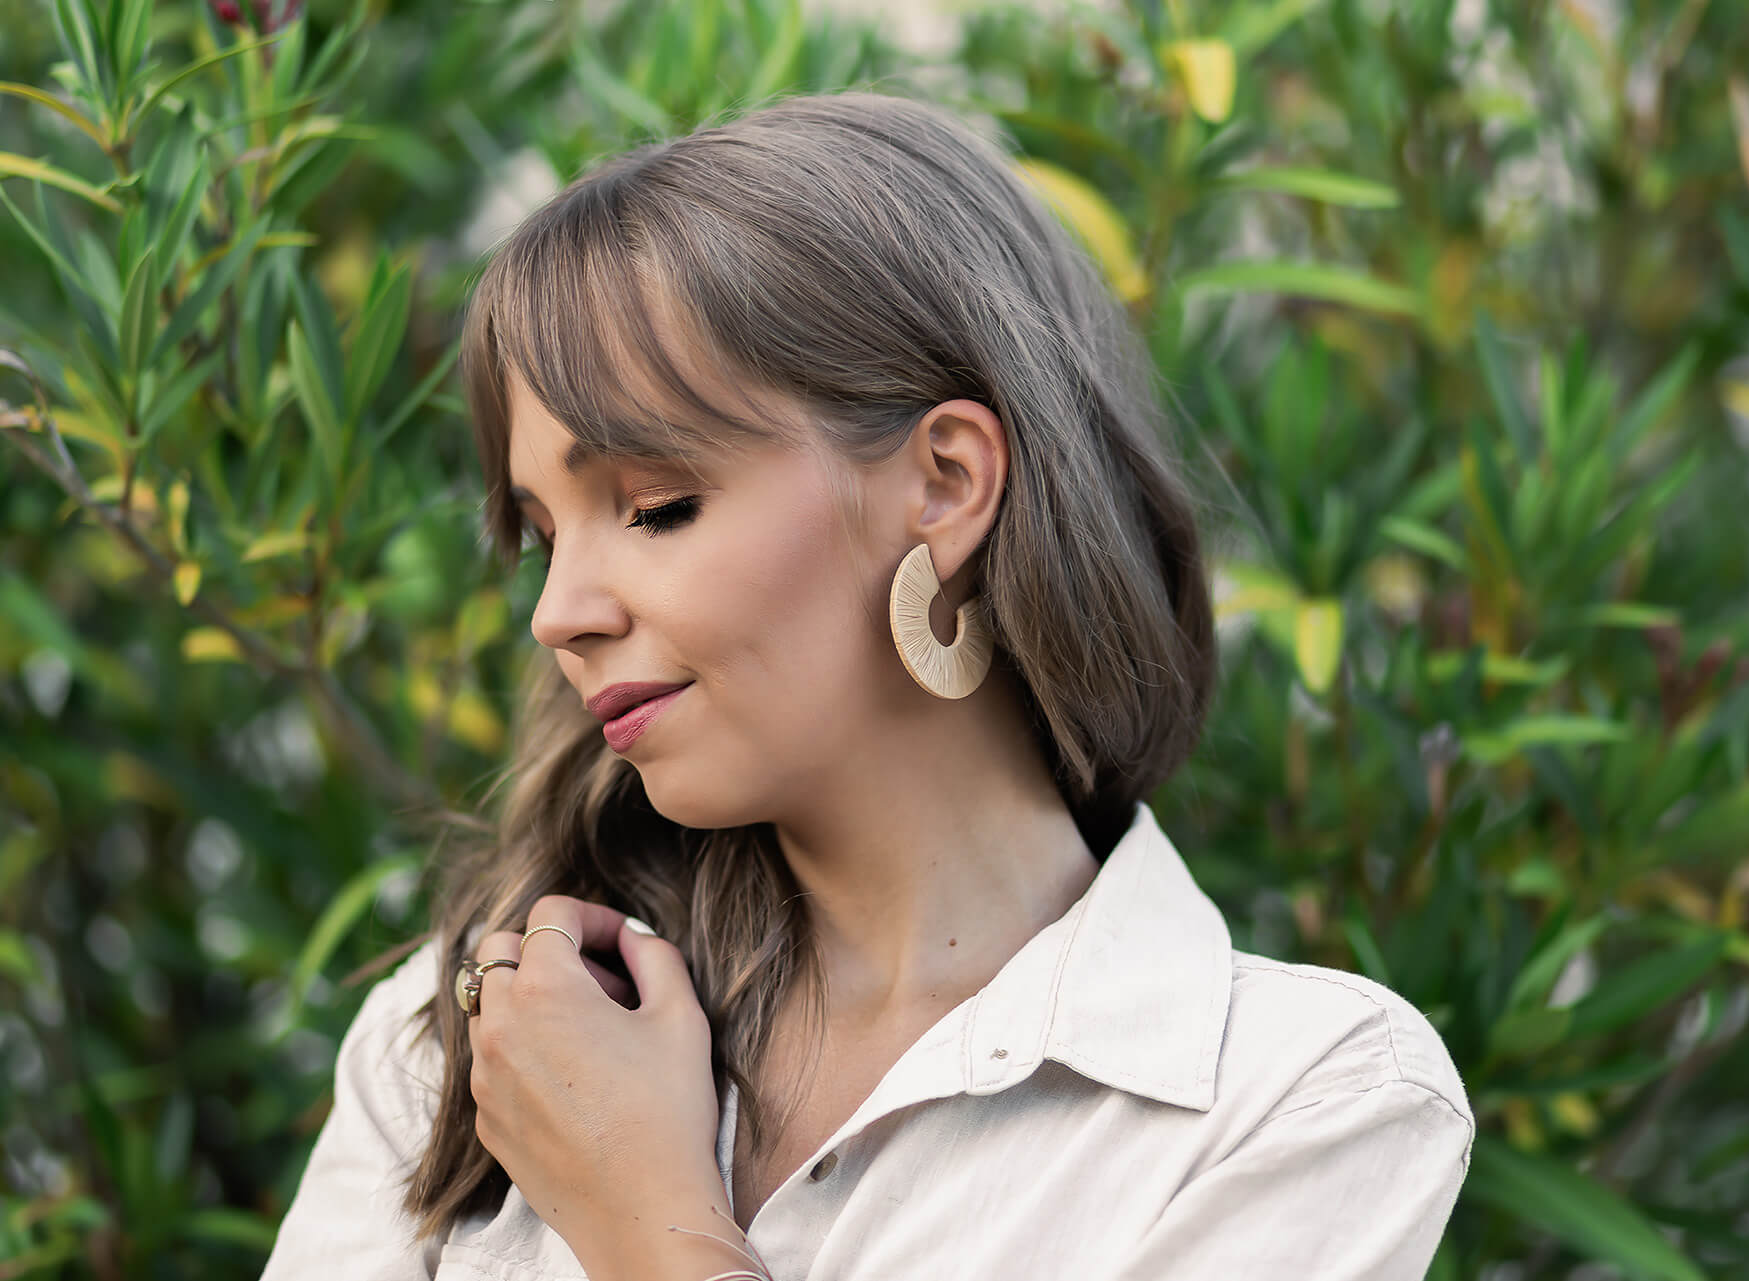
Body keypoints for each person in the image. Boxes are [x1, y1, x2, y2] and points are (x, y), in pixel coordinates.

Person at [258, 89, 1473, 1281]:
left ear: (944, 483)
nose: (558, 614)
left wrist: (647, 1225)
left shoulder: (1304, 1103)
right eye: (542, 535)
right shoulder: (475, 1046)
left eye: (655, 505)